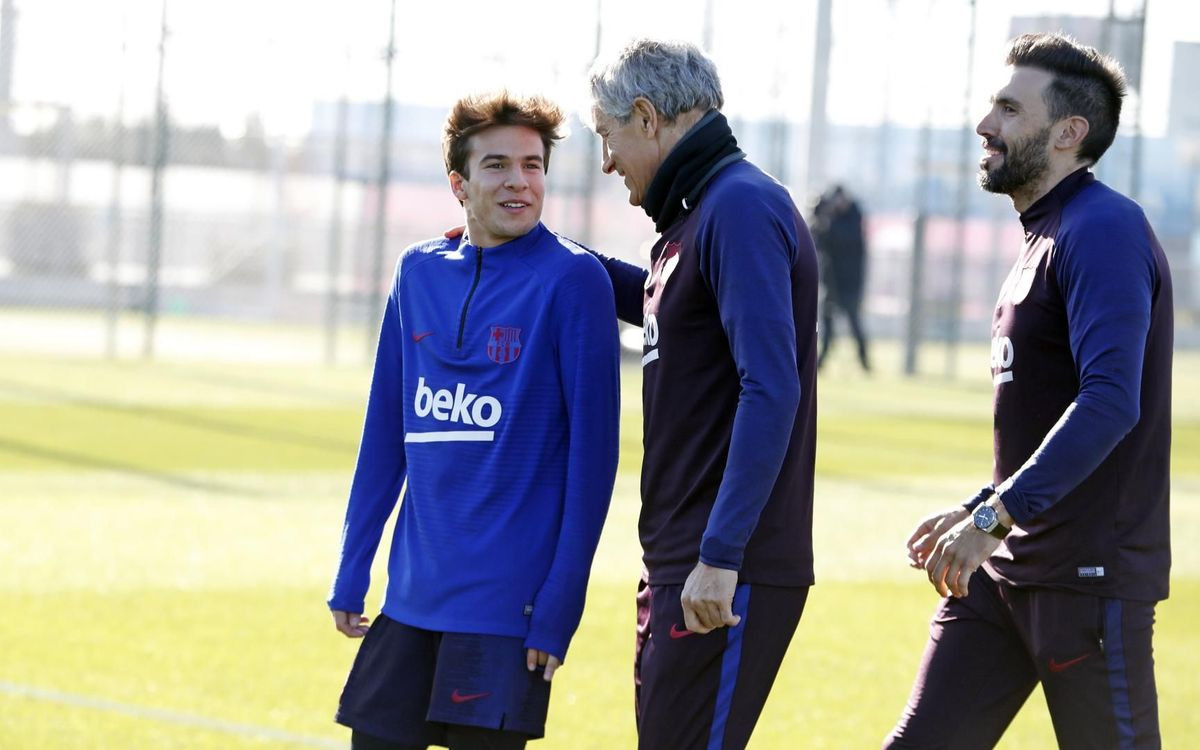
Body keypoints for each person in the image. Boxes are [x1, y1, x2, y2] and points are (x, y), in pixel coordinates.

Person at [885, 33, 1173, 749]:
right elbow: (1045, 414)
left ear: (1069, 133)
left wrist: (993, 518)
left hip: (1085, 581)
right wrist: (980, 508)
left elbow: (1110, 401)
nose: (986, 125)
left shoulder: (1104, 227)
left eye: (1010, 109)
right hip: (1009, 570)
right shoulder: (1044, 234)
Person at [327, 92, 621, 750]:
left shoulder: (574, 282)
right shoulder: (417, 271)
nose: (519, 181)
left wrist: (560, 605)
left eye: (533, 165)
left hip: (504, 615)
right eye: (497, 166)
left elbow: (593, 463)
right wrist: (354, 564)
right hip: (409, 599)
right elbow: (384, 438)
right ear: (458, 184)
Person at [587, 39, 819, 750]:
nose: (606, 162)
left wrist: (720, 555)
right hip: (684, 562)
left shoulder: (738, 207)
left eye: (607, 136)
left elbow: (770, 386)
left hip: (722, 568)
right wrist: (549, 255)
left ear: (649, 117)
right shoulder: (694, 217)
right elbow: (664, 309)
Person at [811, 185, 870, 371]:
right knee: (826, 324)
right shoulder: (828, 220)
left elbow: (845, 239)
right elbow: (815, 239)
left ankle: (864, 360)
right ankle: (822, 360)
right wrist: (820, 215)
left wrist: (829, 221)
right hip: (831, 281)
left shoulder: (853, 218)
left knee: (854, 323)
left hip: (850, 282)